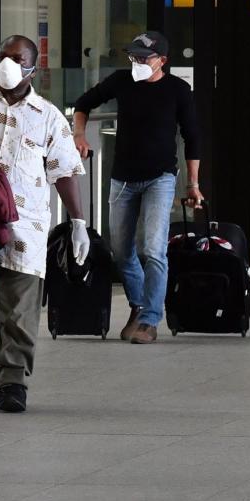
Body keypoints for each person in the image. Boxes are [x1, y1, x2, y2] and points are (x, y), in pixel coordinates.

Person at [0, 35, 88, 413]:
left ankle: (14, 380)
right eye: (2, 56)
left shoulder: (47, 116)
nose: (8, 64)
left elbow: (65, 170)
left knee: (20, 304)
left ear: (32, 67)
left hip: (26, 226)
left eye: (17, 58)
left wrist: (78, 221)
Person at [72, 31, 203, 345]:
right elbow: (83, 103)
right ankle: (140, 303)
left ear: (163, 61)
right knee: (122, 251)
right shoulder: (121, 81)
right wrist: (78, 134)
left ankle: (149, 320)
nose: (138, 63)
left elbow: (193, 137)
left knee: (153, 249)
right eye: (133, 57)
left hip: (161, 178)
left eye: (145, 58)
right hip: (123, 179)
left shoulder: (178, 90)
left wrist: (193, 183)